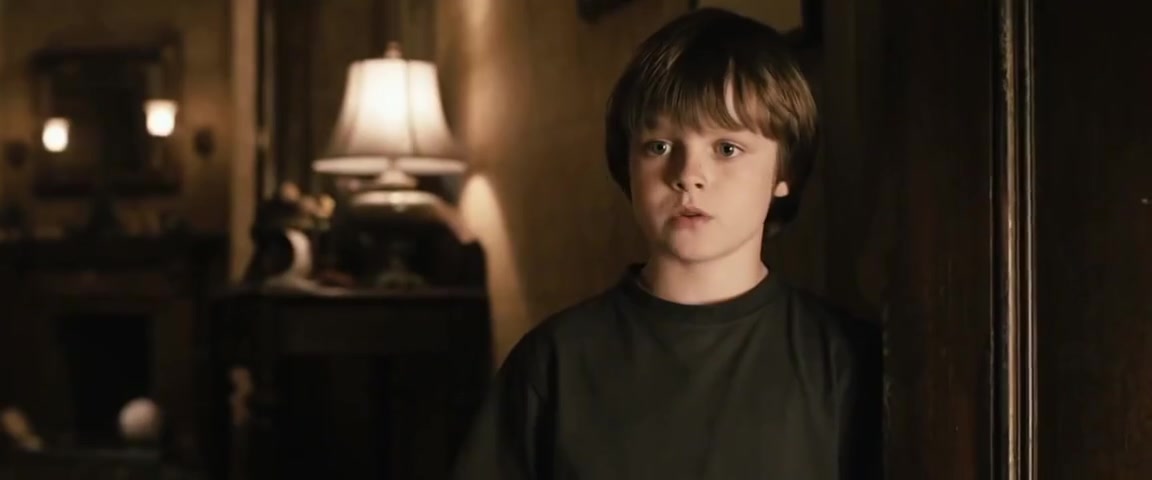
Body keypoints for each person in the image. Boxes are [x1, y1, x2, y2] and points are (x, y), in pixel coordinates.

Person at [454, 7, 881, 480]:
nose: (687, 176)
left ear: (785, 171)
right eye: (659, 146)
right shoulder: (553, 363)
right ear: (628, 165)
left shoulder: (846, 361)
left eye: (727, 148)